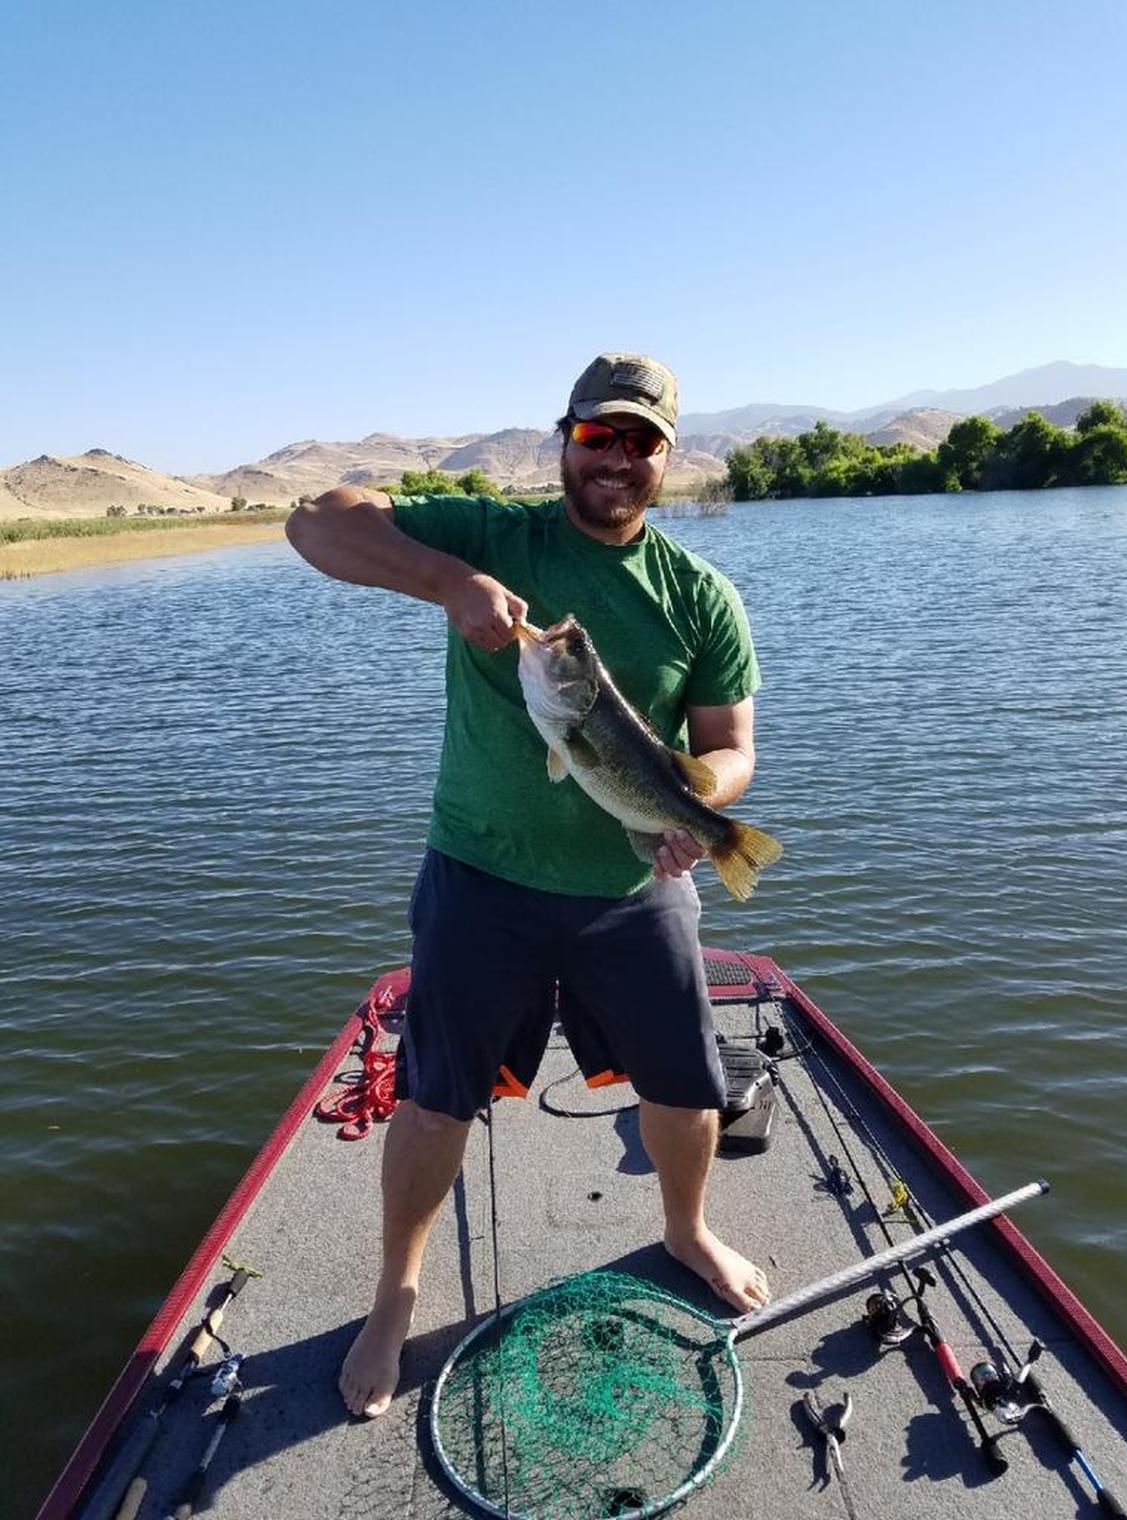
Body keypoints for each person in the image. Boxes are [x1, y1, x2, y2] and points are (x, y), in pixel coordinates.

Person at [286, 352, 771, 1419]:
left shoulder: (701, 595)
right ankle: (395, 1293)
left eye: (642, 440)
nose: (620, 457)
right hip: (479, 878)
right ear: (566, 438)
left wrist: (697, 804)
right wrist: (447, 581)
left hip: (633, 888)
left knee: (687, 1087)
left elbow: (729, 743)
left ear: (665, 459)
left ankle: (685, 1229)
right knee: (433, 1096)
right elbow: (316, 522)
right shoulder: (493, 534)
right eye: (601, 435)